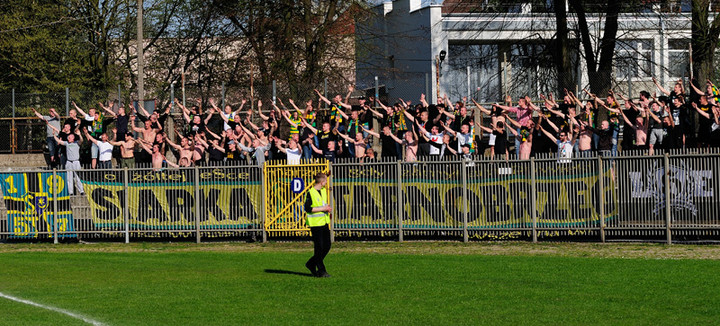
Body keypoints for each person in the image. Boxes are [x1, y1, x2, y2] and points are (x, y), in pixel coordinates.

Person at [304, 172, 333, 278]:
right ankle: (321, 270)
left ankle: (311, 263)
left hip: (324, 222)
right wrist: (323, 209)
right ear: (321, 182)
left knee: (327, 245)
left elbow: (322, 204)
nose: (326, 182)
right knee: (319, 247)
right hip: (315, 224)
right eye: (325, 180)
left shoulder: (323, 191)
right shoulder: (310, 192)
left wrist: (327, 208)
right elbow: (308, 209)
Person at [52, 129, 84, 196]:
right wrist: (54, 135)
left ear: (73, 138)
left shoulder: (76, 143)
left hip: (76, 162)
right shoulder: (67, 143)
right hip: (69, 162)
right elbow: (59, 141)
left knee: (77, 177)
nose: (68, 138)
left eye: (69, 137)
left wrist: (80, 134)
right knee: (69, 178)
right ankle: (71, 192)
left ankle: (81, 190)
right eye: (68, 138)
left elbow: (81, 140)